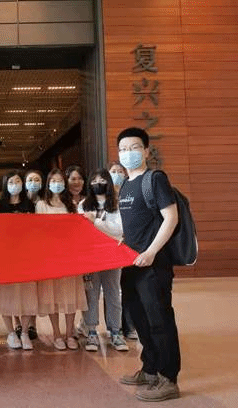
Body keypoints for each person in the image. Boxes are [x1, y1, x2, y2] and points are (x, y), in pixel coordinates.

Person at [116, 127, 180, 402]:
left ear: (145, 151)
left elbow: (171, 218)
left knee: (159, 320)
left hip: (153, 264)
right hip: (130, 262)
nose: (127, 153)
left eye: (133, 148)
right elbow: (133, 224)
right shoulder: (125, 185)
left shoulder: (155, 179)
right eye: (123, 149)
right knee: (138, 318)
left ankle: (168, 378)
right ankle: (150, 369)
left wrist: (152, 251)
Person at [78, 168, 129, 353]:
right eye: (94, 180)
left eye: (101, 180)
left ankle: (115, 332)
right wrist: (102, 227)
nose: (97, 183)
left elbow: (119, 229)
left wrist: (96, 222)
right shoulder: (83, 205)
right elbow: (82, 232)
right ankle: (91, 331)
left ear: (108, 182)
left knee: (113, 294)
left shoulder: (117, 203)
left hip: (112, 256)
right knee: (91, 295)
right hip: (90, 257)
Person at [35, 169, 86, 351]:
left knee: (70, 296)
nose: (57, 184)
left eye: (60, 181)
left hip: (69, 257)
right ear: (48, 184)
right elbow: (38, 231)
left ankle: (69, 334)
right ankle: (57, 334)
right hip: (49, 258)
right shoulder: (41, 205)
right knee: (53, 297)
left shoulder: (71, 204)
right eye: (53, 181)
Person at [0, 170, 37, 350]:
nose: (14, 185)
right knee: (6, 295)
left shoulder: (29, 205)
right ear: (5, 185)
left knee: (27, 294)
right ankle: (11, 332)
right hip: (5, 257)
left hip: (27, 257)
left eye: (17, 181)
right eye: (11, 182)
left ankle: (24, 332)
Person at [108, 161, 138, 341]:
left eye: (120, 171)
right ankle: (114, 327)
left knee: (128, 288)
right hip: (112, 247)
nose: (117, 174)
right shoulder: (106, 195)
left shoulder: (130, 191)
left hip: (130, 245)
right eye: (113, 171)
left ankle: (129, 326)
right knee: (112, 290)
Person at [15, 169, 44, 341]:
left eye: (37, 179)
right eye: (30, 179)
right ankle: (18, 323)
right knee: (17, 288)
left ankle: (32, 324)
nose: (33, 183)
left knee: (33, 290)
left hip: (37, 251)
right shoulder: (19, 200)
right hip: (18, 251)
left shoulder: (43, 202)